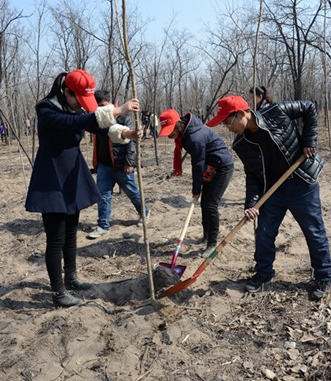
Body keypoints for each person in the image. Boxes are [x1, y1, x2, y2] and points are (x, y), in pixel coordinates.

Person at [25, 69, 141, 308]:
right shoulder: (46, 109)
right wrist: (117, 110)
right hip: (52, 178)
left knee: (71, 232)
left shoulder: (76, 108)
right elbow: (76, 122)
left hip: (73, 175)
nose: (81, 106)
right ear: (66, 92)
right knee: (55, 238)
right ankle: (58, 292)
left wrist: (125, 132)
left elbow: (97, 127)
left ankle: (72, 277)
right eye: (78, 100)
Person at [206, 95, 331, 300]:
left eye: (228, 122)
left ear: (241, 114)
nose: (227, 128)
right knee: (264, 232)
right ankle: (264, 273)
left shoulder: (275, 112)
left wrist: (309, 140)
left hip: (301, 181)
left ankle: (324, 276)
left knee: (314, 231)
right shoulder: (241, 144)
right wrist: (251, 204)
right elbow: (253, 175)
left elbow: (309, 107)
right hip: (274, 189)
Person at [158, 109, 234, 258]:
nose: (168, 135)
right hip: (210, 165)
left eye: (170, 131)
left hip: (222, 167)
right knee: (205, 203)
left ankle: (212, 244)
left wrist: (196, 189)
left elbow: (197, 165)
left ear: (178, 125)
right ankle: (206, 236)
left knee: (210, 204)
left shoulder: (194, 138)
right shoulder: (186, 134)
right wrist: (198, 189)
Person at [87, 90, 149, 239]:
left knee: (132, 192)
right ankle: (103, 226)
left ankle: (144, 212)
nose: (101, 109)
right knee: (103, 196)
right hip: (103, 165)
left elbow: (131, 142)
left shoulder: (123, 119)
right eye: (98, 107)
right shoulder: (96, 119)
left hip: (121, 165)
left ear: (110, 103)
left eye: (103, 106)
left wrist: (129, 162)